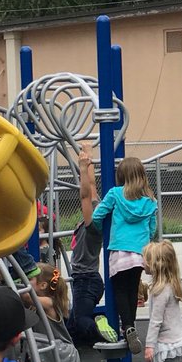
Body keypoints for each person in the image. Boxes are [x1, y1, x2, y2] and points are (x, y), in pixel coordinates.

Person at [92, 156, 157, 354]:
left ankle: (127, 326)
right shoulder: (150, 201)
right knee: (131, 290)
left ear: (121, 176)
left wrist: (100, 230)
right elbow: (152, 228)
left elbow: (97, 216)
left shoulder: (115, 194)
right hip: (139, 253)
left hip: (119, 249)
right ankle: (131, 326)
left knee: (119, 290)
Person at [67, 142, 114, 345]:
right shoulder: (97, 210)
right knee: (71, 327)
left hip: (85, 280)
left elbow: (85, 194)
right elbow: (92, 188)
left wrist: (82, 168)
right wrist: (89, 156)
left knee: (82, 321)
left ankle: (100, 326)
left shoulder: (92, 225)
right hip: (87, 280)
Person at [29, 264, 88, 362]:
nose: (24, 280)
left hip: (60, 351)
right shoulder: (39, 301)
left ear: (42, 285)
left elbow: (23, 296)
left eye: (29, 278)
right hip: (47, 348)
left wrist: (4, 280)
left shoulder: (48, 303)